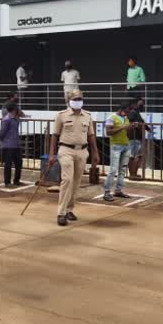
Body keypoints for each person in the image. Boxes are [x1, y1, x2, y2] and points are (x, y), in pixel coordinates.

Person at [48, 90, 100, 226]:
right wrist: (52, 154)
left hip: (82, 151)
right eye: (75, 99)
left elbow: (91, 135)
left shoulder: (87, 116)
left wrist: (95, 152)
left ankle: (70, 209)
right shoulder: (61, 116)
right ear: (69, 100)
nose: (78, 101)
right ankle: (61, 212)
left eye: (80, 98)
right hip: (66, 150)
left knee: (76, 182)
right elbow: (54, 135)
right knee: (67, 180)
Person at [103, 104, 134, 202]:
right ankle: (107, 192)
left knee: (123, 169)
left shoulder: (125, 119)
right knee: (113, 170)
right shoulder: (111, 118)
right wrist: (122, 127)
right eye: (126, 111)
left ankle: (118, 190)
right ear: (121, 109)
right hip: (116, 146)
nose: (127, 114)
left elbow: (127, 132)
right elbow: (108, 132)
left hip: (126, 145)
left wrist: (131, 127)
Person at [0, 103, 23, 187]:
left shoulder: (15, 119)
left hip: (15, 144)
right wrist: (3, 142)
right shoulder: (7, 119)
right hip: (8, 145)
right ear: (13, 110)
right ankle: (7, 182)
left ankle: (16, 180)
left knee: (19, 162)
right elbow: (2, 133)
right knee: (8, 164)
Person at [127, 96, 151, 180]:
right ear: (136, 103)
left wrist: (148, 129)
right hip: (134, 138)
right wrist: (137, 126)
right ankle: (132, 175)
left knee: (138, 156)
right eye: (141, 103)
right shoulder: (132, 112)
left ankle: (134, 174)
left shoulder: (137, 113)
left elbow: (142, 123)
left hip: (138, 138)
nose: (142, 105)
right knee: (133, 156)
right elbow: (130, 124)